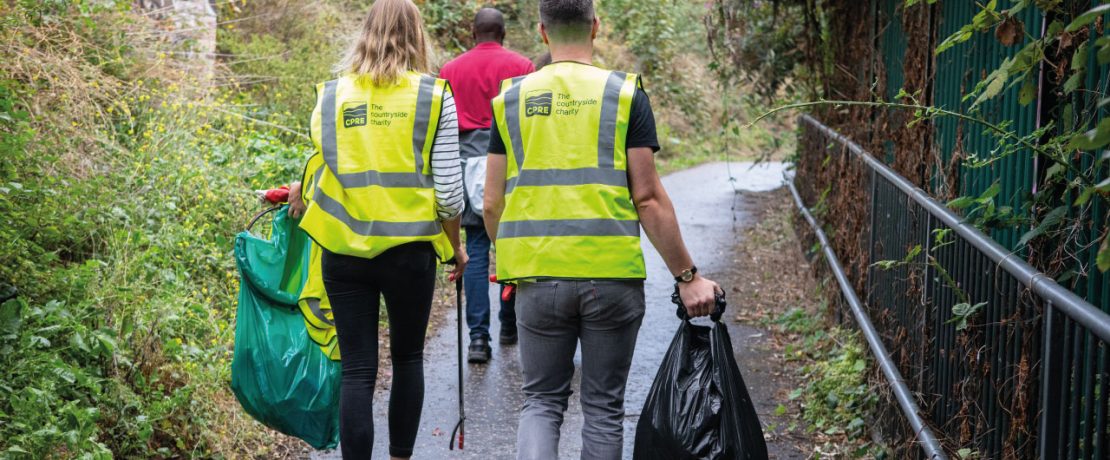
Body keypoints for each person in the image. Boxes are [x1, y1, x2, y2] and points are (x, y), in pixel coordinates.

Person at [482, 1, 723, 459]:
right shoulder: (623, 93)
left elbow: (492, 201)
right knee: (604, 408)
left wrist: (513, 255)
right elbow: (648, 197)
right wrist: (687, 277)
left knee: (541, 402)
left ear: (542, 31)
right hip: (611, 278)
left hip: (538, 277)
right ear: (596, 27)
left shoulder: (510, 98)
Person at [287, 0, 467, 458]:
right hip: (409, 253)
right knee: (407, 359)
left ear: (364, 32)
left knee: (358, 370)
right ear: (417, 35)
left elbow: (322, 165)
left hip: (344, 252)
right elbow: (448, 193)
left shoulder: (330, 96)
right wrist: (455, 248)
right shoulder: (433, 95)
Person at [438, 7, 534, 363]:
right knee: (511, 245)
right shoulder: (523, 67)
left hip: (464, 163)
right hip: (506, 164)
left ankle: (478, 339)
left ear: (473, 33)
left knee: (476, 252)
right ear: (503, 33)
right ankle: (509, 325)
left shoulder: (449, 70)